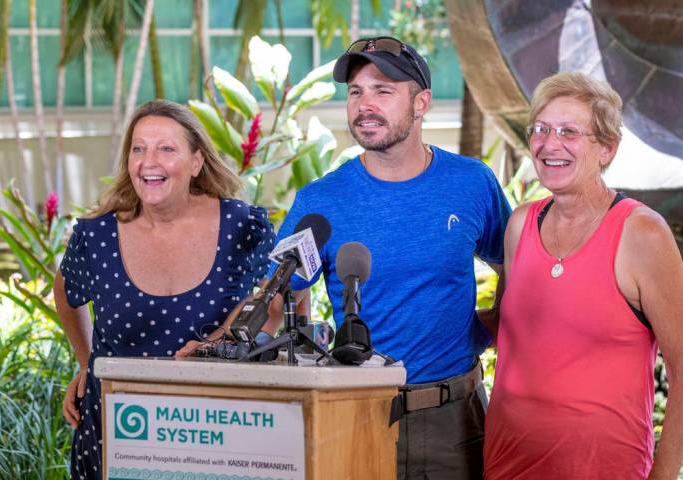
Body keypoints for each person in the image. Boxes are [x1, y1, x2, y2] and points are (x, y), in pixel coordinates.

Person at [272, 36, 512, 479]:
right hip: (353, 414)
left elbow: (516, 268)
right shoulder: (319, 201)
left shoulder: (472, 183)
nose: (365, 105)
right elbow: (277, 304)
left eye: (383, 91)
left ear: (421, 103)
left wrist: (488, 326)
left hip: (454, 421)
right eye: (356, 92)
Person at [483, 72, 683, 479]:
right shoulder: (519, 225)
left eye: (569, 131)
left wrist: (663, 475)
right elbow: (513, 333)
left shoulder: (642, 233)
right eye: (542, 129)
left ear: (607, 147)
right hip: (506, 466)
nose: (550, 144)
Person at [54, 100, 275, 479]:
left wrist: (226, 340)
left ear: (196, 162)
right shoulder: (97, 237)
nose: (148, 161)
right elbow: (65, 293)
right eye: (138, 149)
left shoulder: (241, 226)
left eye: (166, 148)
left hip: (219, 432)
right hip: (117, 432)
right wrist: (85, 361)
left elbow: (283, 298)